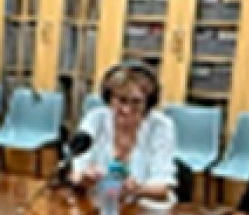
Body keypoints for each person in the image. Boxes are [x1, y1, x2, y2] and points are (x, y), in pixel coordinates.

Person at [70, 62, 177, 202]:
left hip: (143, 206)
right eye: (121, 100)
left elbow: (162, 188)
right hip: (99, 203)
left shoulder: (161, 126)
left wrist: (136, 189)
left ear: (148, 102)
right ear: (109, 99)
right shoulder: (95, 119)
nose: (126, 110)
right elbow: (76, 174)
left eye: (136, 102)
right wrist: (85, 178)